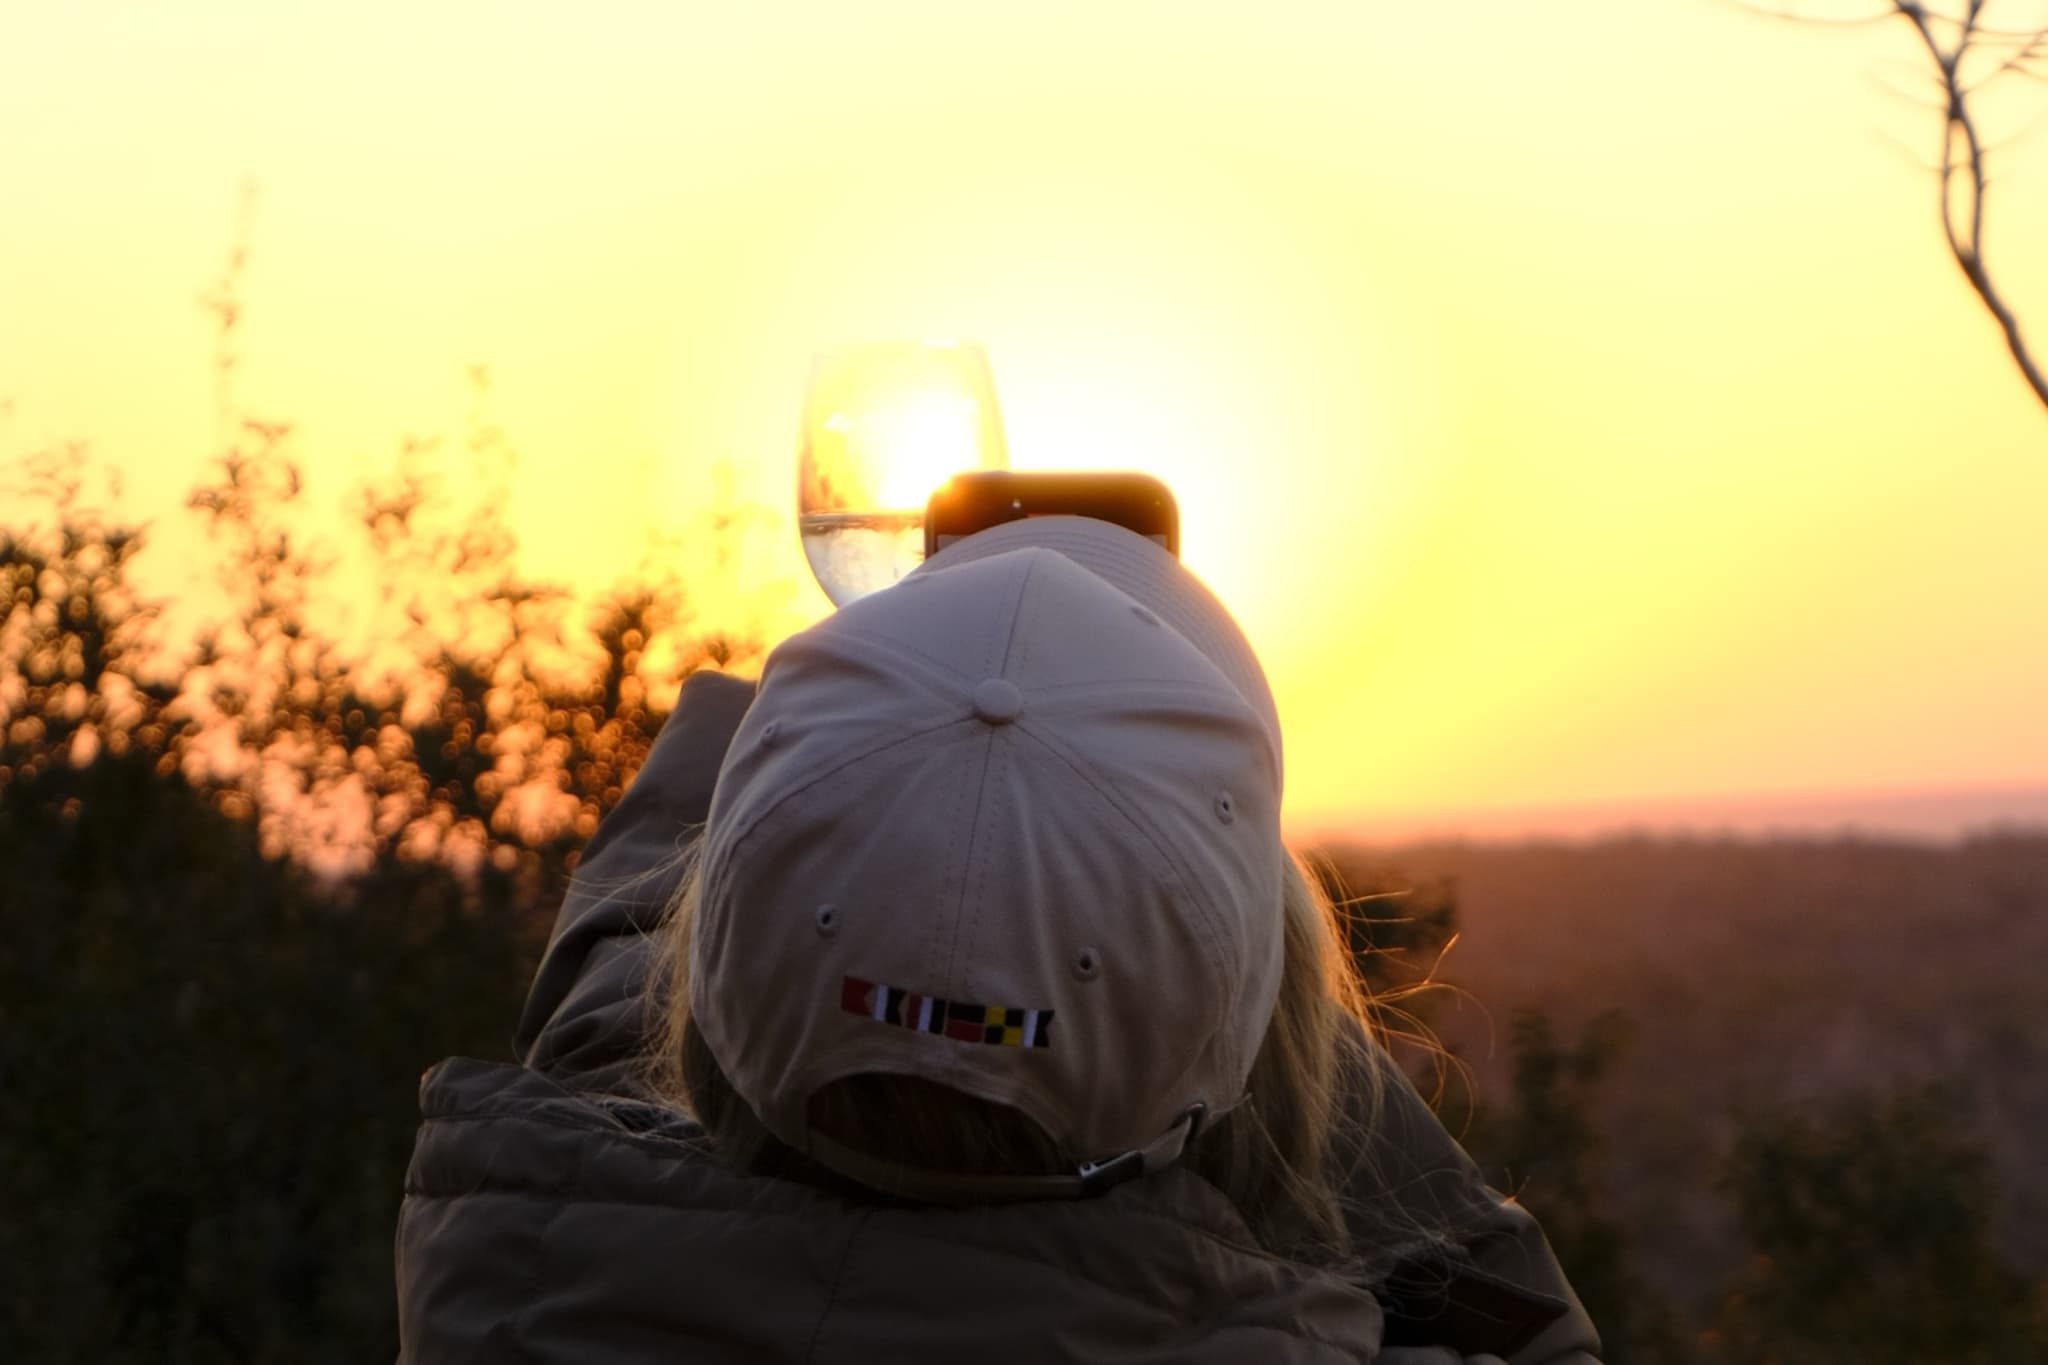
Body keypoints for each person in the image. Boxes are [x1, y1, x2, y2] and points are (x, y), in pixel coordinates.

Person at [396, 517, 1604, 1363]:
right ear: (1249, 1034)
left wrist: (865, 741)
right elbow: (1519, 1317)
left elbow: (616, 995)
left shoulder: (520, 1284)